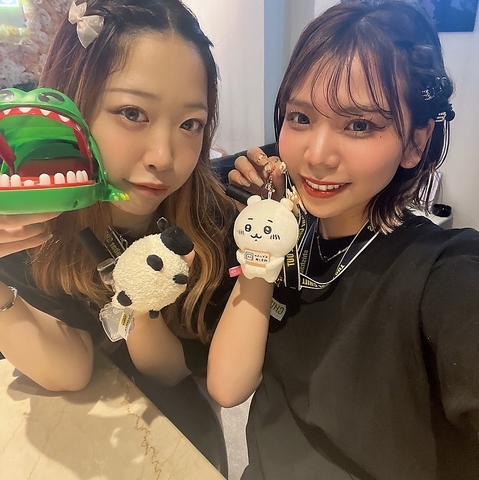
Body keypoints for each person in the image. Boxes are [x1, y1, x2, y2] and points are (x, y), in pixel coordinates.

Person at [207, 1, 479, 478]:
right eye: (300, 117)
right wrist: (268, 231)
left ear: (416, 142)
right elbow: (228, 387)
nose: (316, 155)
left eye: (359, 125)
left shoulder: (443, 270)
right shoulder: (285, 236)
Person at [0, 0, 236, 471]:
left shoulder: (209, 223)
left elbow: (174, 371)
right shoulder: (32, 219)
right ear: (72, 103)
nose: (163, 156)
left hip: (179, 437)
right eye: (132, 113)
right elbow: (69, 369)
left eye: (190, 123)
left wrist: (140, 304)